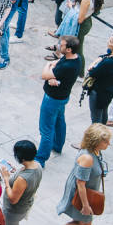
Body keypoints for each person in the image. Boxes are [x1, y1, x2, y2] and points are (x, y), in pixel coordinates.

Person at [44, 124, 111, 225]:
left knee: (79, 221)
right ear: (95, 141)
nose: (108, 143)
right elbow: (81, 184)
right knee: (86, 223)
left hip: (88, 191)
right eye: (105, 141)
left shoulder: (94, 151)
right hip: (82, 194)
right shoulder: (87, 158)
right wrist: (85, 206)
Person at [36, 35, 83, 167]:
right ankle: (57, 145)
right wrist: (53, 74)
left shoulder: (67, 65)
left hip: (52, 99)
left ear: (68, 49)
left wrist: (48, 66)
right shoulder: (76, 58)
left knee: (46, 129)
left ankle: (40, 158)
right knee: (59, 121)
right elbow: (57, 65)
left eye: (61, 45)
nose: (58, 46)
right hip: (62, 97)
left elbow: (44, 75)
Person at [0, 141, 43, 225]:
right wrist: (16, 171)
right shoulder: (37, 165)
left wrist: (6, 179)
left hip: (14, 211)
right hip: (25, 204)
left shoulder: (23, 179)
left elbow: (13, 199)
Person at [85, 32, 113, 124]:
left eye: (111, 42)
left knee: (96, 117)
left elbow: (92, 72)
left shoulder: (108, 62)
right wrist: (99, 59)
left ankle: (97, 135)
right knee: (103, 112)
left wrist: (93, 64)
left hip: (99, 92)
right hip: (109, 89)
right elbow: (104, 56)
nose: (108, 42)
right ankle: (103, 130)